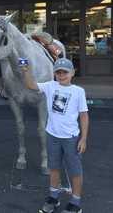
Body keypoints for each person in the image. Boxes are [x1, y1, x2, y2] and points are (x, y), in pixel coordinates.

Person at [21, 58, 89, 213]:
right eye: (58, 72)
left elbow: (84, 115)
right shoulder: (50, 86)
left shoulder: (78, 91)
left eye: (64, 72)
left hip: (71, 138)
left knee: (75, 170)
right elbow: (31, 85)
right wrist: (25, 71)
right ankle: (53, 197)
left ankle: (76, 201)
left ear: (72, 73)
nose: (61, 75)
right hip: (52, 136)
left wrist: (83, 139)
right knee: (54, 167)